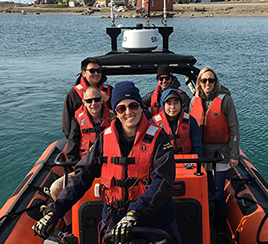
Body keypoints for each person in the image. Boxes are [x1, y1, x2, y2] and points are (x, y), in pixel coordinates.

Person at [34, 81, 181, 244]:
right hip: (115, 219)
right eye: (121, 108)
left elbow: (163, 181)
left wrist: (134, 213)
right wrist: (54, 211)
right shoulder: (105, 139)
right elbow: (82, 176)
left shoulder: (160, 138)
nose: (128, 112)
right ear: (115, 112)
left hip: (154, 219)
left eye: (133, 105)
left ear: (140, 107)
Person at [189, 66, 240, 244]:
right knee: (204, 192)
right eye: (204, 81)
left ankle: (219, 230)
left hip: (220, 154)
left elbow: (234, 127)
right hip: (201, 154)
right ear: (199, 83)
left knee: (217, 195)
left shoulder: (225, 100)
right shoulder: (194, 100)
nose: (207, 84)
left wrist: (234, 154)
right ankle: (204, 225)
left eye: (211, 80)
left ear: (216, 82)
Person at [62, 57, 113, 139]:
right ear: (84, 72)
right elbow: (67, 127)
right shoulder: (73, 94)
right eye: (92, 71)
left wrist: (108, 100)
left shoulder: (110, 91)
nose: (96, 73)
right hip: (84, 144)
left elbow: (121, 113)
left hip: (109, 141)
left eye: (99, 71)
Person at [66, 86, 113, 162]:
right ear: (84, 102)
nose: (93, 103)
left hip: (109, 164)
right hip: (87, 165)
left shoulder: (113, 119)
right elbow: (72, 153)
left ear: (102, 100)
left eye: (97, 99)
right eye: (89, 101)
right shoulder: (77, 121)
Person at [151, 89, 202, 157]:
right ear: (163, 105)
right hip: (163, 163)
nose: (172, 107)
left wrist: (195, 162)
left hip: (187, 162)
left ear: (181, 103)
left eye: (176, 103)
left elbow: (197, 147)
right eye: (169, 103)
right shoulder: (154, 123)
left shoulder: (191, 121)